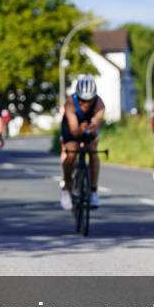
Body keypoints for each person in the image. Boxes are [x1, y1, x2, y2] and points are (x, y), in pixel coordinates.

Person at [60, 74, 106, 210]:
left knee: (93, 152)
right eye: (82, 100)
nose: (85, 104)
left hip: (89, 126)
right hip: (72, 126)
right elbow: (74, 131)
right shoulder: (70, 103)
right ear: (77, 96)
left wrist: (92, 127)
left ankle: (93, 191)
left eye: (89, 101)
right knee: (71, 153)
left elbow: (96, 123)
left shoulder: (99, 104)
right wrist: (81, 129)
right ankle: (66, 187)